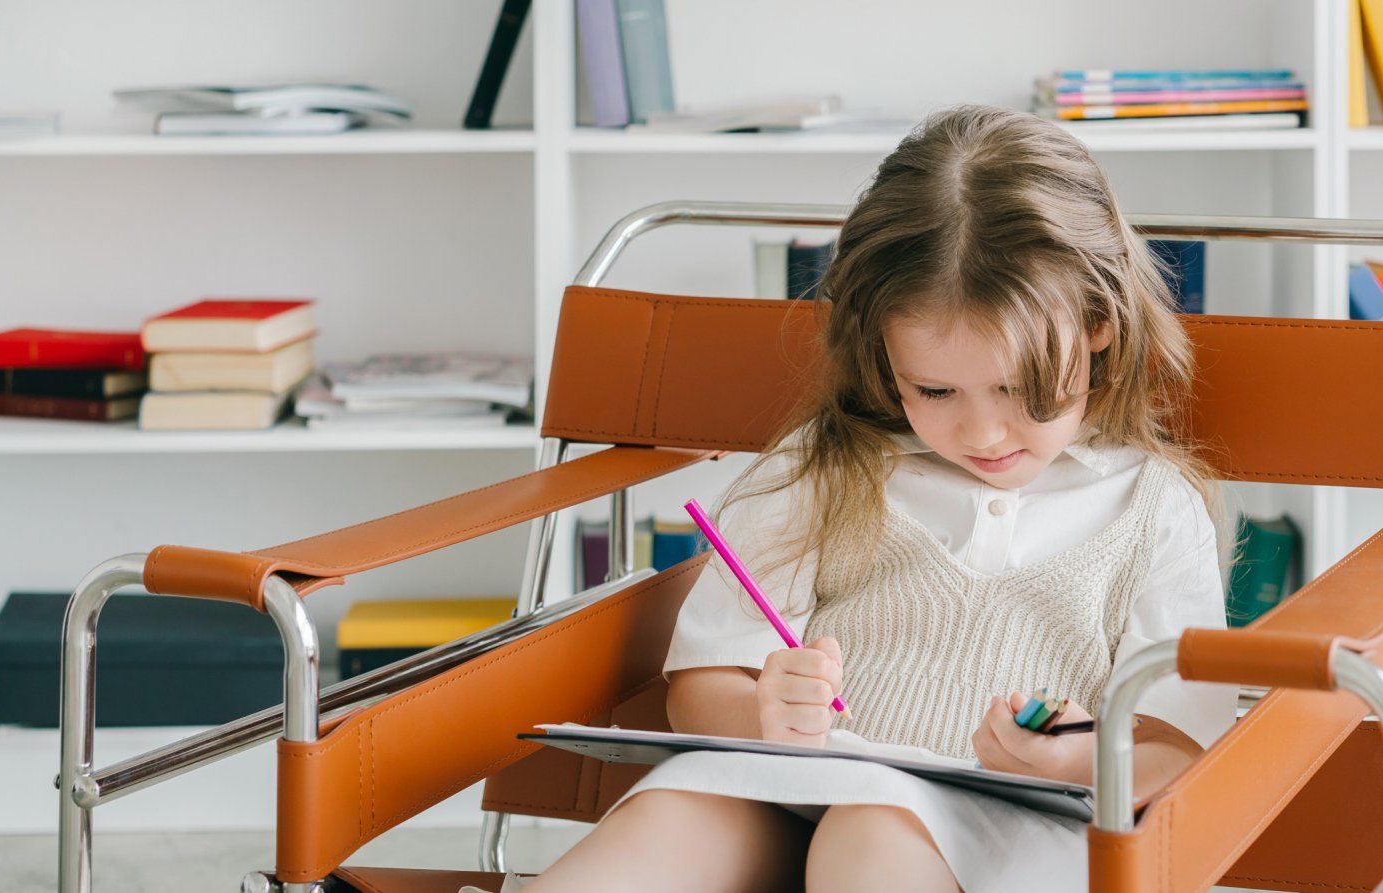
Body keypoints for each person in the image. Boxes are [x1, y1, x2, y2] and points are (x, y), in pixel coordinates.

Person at [519, 104, 1237, 893]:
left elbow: (1181, 747)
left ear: (1099, 323)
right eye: (935, 388)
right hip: (794, 795)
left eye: (1019, 387)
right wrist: (763, 712)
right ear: (879, 347)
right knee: (668, 821)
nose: (983, 428)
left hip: (1012, 835)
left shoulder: (1150, 509)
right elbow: (703, 687)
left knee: (872, 836)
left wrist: (1081, 754)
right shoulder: (824, 467)